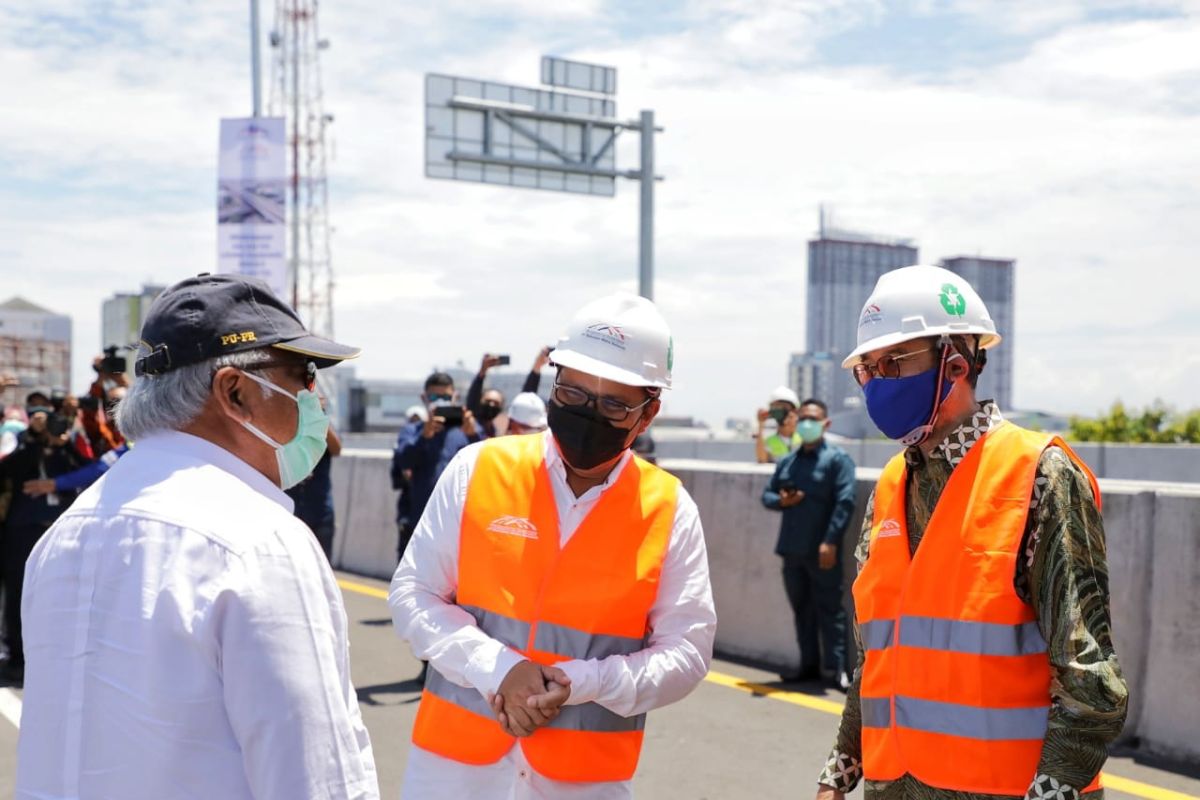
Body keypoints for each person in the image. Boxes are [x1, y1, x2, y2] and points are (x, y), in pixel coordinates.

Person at [16, 273, 379, 799]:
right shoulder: (260, 540)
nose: (313, 398)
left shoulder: (65, 535)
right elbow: (317, 777)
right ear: (234, 391)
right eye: (303, 375)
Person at [816, 266, 1127, 800]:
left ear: (956, 361)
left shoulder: (1040, 474)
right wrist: (838, 775)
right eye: (867, 369)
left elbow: (1090, 682)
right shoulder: (891, 484)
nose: (877, 382)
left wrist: (1052, 792)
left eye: (894, 362)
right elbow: (878, 658)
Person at [390, 293, 716, 799]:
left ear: (647, 414)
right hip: (453, 772)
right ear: (553, 384)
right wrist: (501, 670)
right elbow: (414, 595)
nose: (589, 414)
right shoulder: (478, 469)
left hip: (583, 782)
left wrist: (582, 681)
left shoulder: (670, 510)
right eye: (574, 394)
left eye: (613, 405)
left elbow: (687, 653)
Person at [761, 398, 856, 688]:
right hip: (792, 550)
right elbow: (767, 495)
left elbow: (845, 502)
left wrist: (831, 541)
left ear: (825, 424)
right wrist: (782, 500)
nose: (806, 424)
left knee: (831, 610)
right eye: (802, 418)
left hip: (822, 550)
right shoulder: (789, 460)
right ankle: (808, 666)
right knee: (802, 610)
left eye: (812, 419)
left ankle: (837, 669)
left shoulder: (837, 460)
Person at [0, 400, 87, 683]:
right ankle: (17, 657)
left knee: (61, 593)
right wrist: (35, 439)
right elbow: (8, 469)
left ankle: (55, 655)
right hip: (22, 531)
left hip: (60, 532)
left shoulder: (67, 453)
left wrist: (63, 444)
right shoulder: (26, 451)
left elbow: (88, 470)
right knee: (18, 593)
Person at [391, 372, 480, 562]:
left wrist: (474, 436)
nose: (440, 401)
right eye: (434, 397)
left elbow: (488, 465)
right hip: (420, 524)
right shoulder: (413, 431)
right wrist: (424, 437)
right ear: (424, 398)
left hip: (459, 525)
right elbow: (403, 462)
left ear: (455, 397)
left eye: (446, 397)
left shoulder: (466, 430)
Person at [467, 347, 554, 438]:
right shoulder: (471, 429)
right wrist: (482, 371)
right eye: (488, 401)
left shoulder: (497, 434)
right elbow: (472, 403)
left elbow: (525, 401)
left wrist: (537, 366)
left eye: (496, 403)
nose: (491, 405)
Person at [755, 386, 803, 463]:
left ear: (794, 410)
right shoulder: (769, 441)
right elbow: (762, 460)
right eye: (775, 407)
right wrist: (761, 424)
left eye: (783, 406)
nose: (779, 409)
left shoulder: (804, 438)